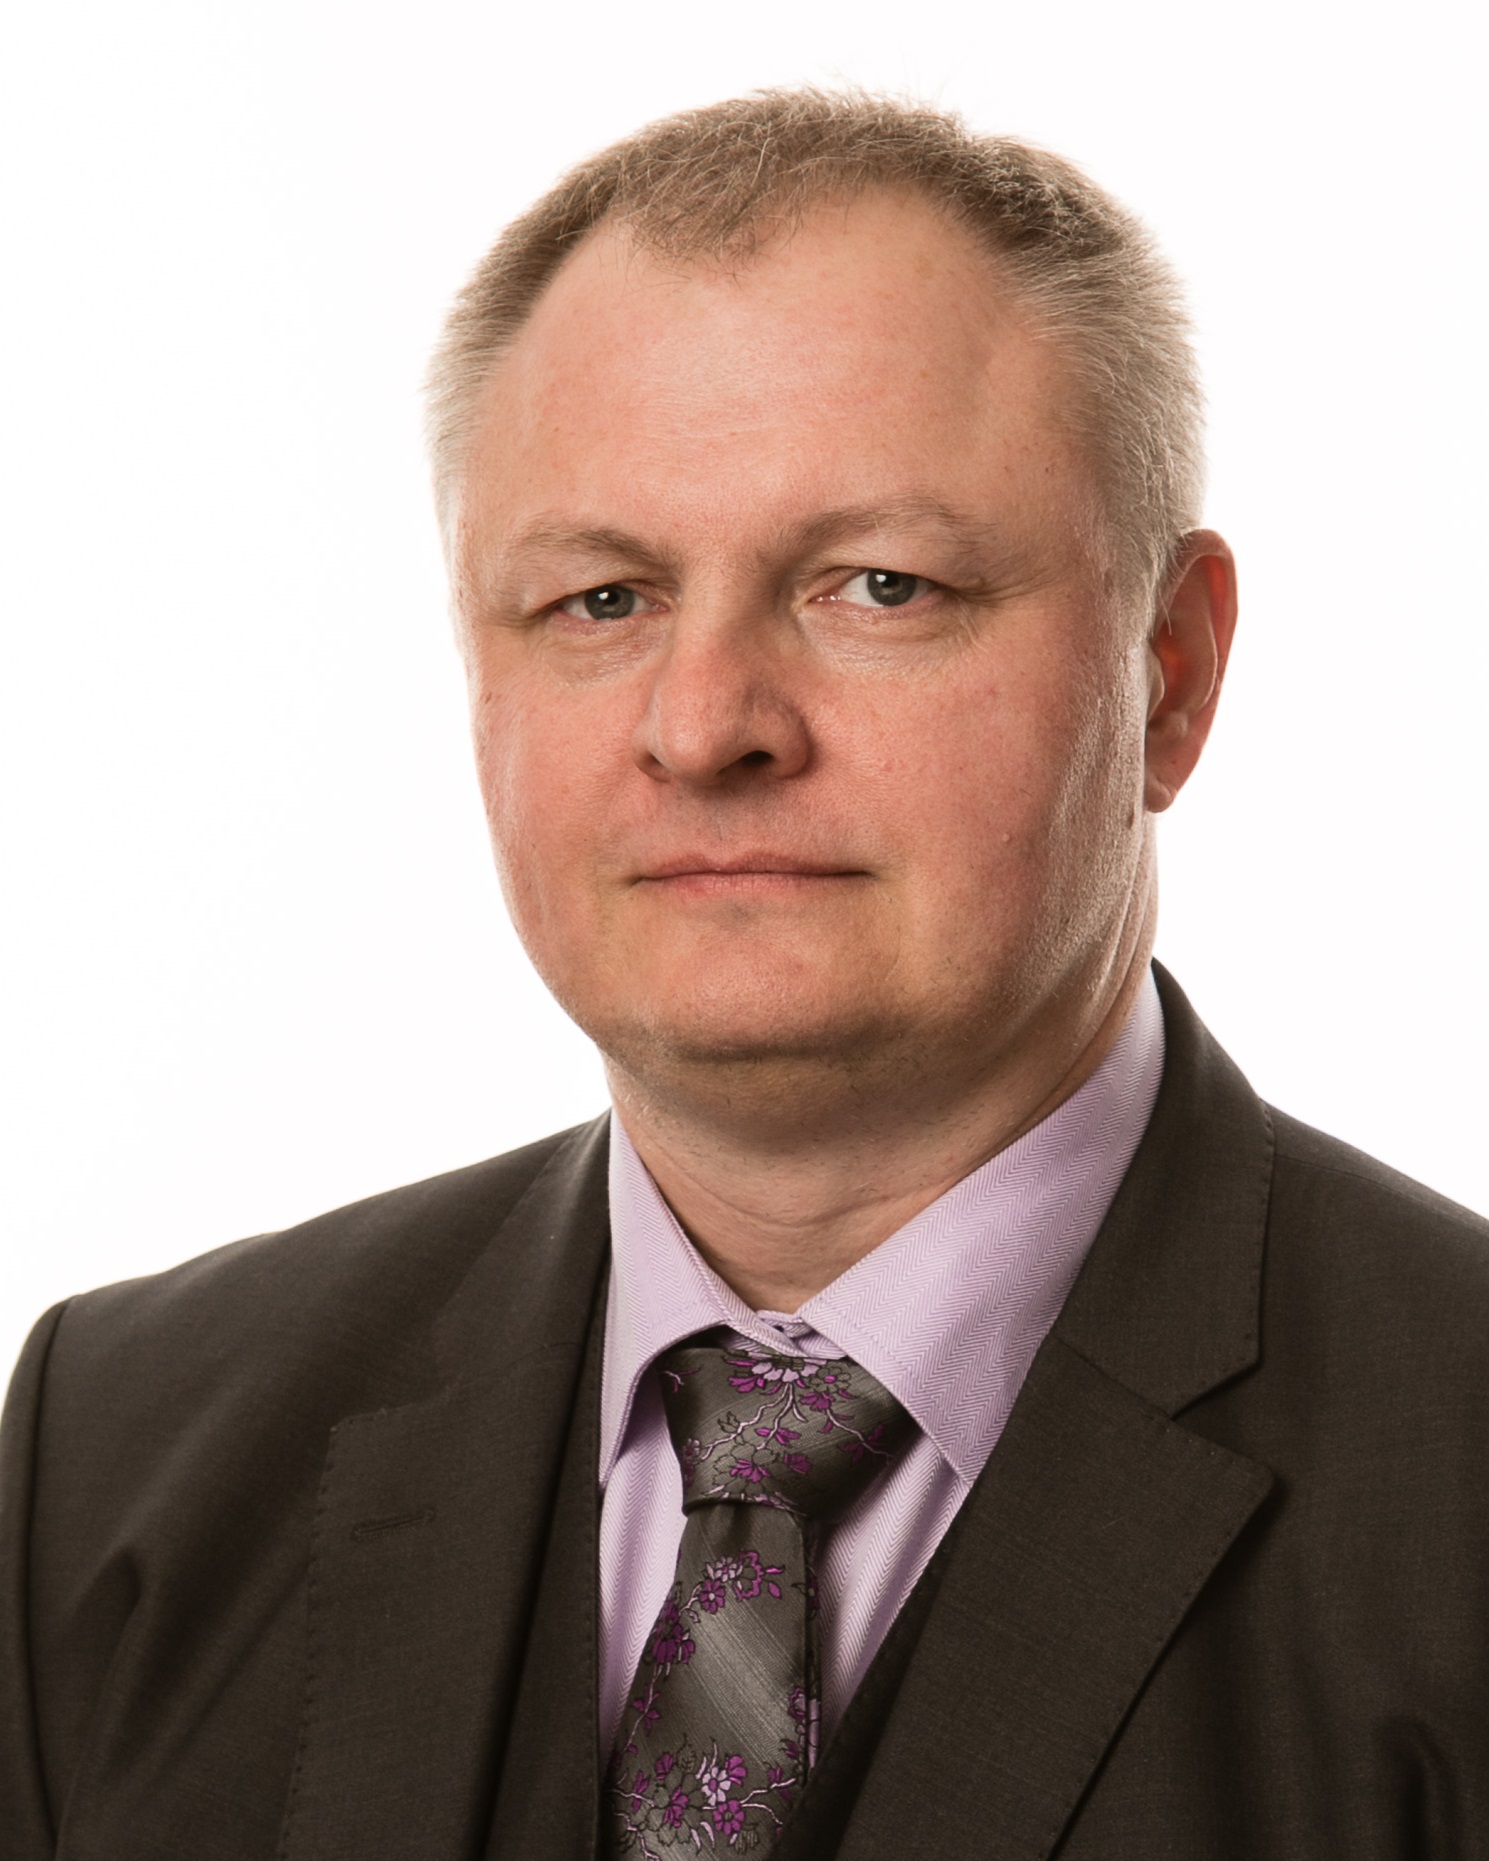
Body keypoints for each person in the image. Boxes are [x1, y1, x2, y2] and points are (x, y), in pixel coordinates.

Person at [2, 89, 1486, 1861]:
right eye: (601, 600)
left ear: (1167, 671)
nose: (705, 725)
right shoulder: (117, 1454)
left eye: (879, 585)